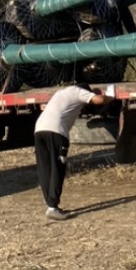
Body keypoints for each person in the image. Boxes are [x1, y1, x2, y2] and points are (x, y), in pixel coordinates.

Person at [34, 83, 114, 220]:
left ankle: (50, 205)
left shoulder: (60, 93)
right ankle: (53, 208)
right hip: (56, 131)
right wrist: (111, 96)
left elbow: (44, 107)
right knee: (57, 168)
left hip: (39, 129)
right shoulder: (78, 92)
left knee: (45, 168)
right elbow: (98, 100)